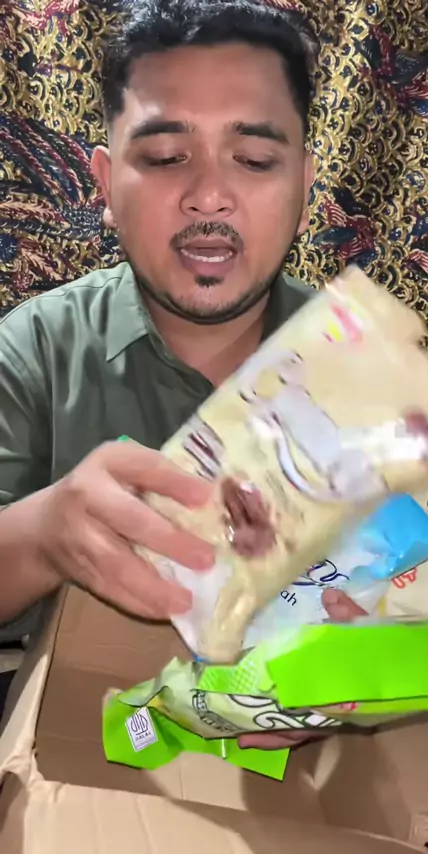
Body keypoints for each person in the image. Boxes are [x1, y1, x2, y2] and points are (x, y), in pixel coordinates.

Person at [0, 0, 364, 748]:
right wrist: (46, 536)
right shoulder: (33, 350)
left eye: (254, 160)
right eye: (167, 157)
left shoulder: (366, 369)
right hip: (81, 750)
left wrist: (375, 660)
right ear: (107, 184)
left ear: (304, 185)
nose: (209, 195)